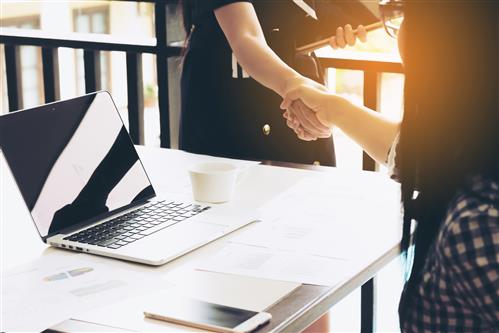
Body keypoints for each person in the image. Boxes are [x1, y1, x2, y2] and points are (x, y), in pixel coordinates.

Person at [281, 0, 498, 331]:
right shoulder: (477, 150)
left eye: (406, 16)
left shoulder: (476, 225)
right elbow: (427, 158)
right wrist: (335, 108)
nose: (400, 37)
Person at [179, 0, 371, 166]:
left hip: (293, 76)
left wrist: (338, 26)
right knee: (231, 197)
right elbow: (245, 36)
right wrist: (297, 87)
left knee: (306, 197)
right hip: (232, 95)